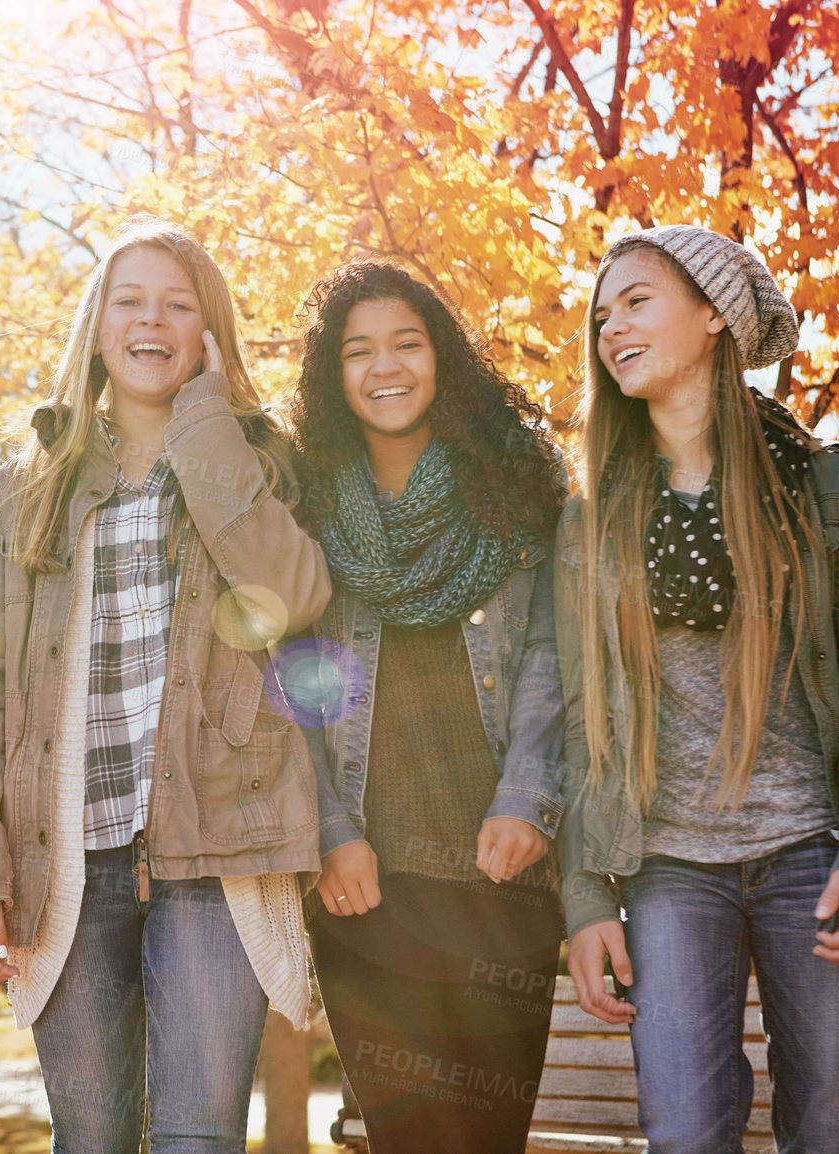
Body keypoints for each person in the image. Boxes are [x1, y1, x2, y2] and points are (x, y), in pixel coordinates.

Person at [0, 215, 330, 1152]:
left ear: (208, 333)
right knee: (93, 1140)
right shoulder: (20, 492)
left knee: (200, 1138)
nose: (152, 320)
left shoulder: (261, 464)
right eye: (130, 300)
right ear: (98, 326)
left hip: (217, 855)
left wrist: (203, 427)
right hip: (68, 862)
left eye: (178, 304)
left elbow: (294, 595)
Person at [559, 225, 839, 1153]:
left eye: (638, 301)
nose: (612, 328)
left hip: (814, 852)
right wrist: (581, 898)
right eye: (601, 315)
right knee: (685, 1135)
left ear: (715, 318)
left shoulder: (823, 485)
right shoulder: (592, 514)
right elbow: (578, 714)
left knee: (828, 1130)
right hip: (666, 863)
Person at [286, 259, 568, 1150]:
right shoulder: (305, 508)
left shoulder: (518, 486)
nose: (385, 367)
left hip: (503, 878)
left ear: (441, 356)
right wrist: (329, 829)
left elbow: (552, 656)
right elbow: (286, 677)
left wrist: (530, 796)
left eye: (406, 343)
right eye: (358, 351)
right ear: (335, 377)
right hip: (366, 887)